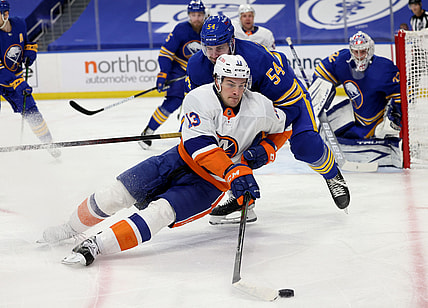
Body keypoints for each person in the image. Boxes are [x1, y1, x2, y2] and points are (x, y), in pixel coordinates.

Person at [40, 55, 292, 266]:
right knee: (115, 193)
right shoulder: (198, 98)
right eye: (229, 83)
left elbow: (286, 126)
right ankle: (69, 228)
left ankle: (96, 246)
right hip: (177, 160)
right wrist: (234, 171)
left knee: (160, 212)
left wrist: (267, 149)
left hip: (208, 185)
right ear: (217, 81)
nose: (236, 91)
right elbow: (200, 148)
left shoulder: (259, 106)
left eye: (241, 84)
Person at [185, 15, 350, 224]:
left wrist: (270, 145)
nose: (213, 55)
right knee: (226, 144)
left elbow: (289, 106)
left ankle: (331, 173)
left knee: (305, 146)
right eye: (208, 48)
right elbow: (196, 108)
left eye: (219, 48)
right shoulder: (196, 66)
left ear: (232, 42)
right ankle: (242, 200)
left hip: (286, 101)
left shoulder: (257, 59)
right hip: (248, 107)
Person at [312, 31, 402, 167]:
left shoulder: (384, 68)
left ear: (370, 50)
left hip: (376, 123)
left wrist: (395, 117)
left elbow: (399, 97)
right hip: (355, 116)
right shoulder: (343, 60)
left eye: (363, 52)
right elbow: (321, 72)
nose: (359, 57)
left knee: (378, 134)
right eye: (355, 52)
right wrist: (322, 88)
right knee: (323, 134)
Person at [138, 0, 206, 149]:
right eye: (193, 15)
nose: (196, 18)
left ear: (204, 14)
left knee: (205, 103)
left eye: (199, 14)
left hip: (201, 72)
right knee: (173, 102)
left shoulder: (209, 29)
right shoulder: (181, 29)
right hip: (179, 70)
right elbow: (166, 53)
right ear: (188, 15)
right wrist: (163, 73)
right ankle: (148, 131)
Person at [0, 0, 60, 158]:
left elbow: (27, 42)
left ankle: (49, 143)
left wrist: (29, 52)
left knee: (32, 111)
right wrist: (17, 83)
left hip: (15, 78)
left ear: (5, 14)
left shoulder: (19, 23)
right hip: (5, 78)